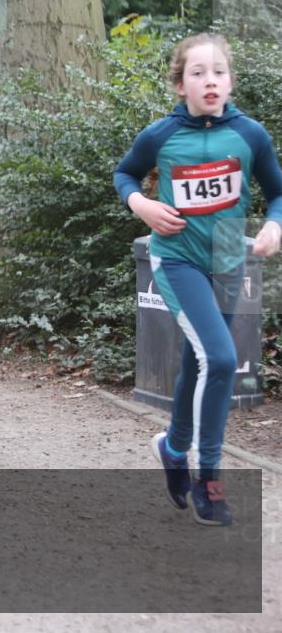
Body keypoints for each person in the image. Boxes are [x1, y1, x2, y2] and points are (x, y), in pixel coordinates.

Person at [114, 33, 282, 526]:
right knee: (222, 358)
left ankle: (171, 446)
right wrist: (142, 205)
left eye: (219, 72)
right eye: (198, 73)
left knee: (199, 360)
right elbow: (124, 175)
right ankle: (210, 482)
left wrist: (274, 224)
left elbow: (277, 193)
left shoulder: (250, 134)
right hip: (178, 259)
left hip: (230, 254)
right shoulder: (160, 136)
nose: (210, 81)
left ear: (230, 80)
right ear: (180, 83)